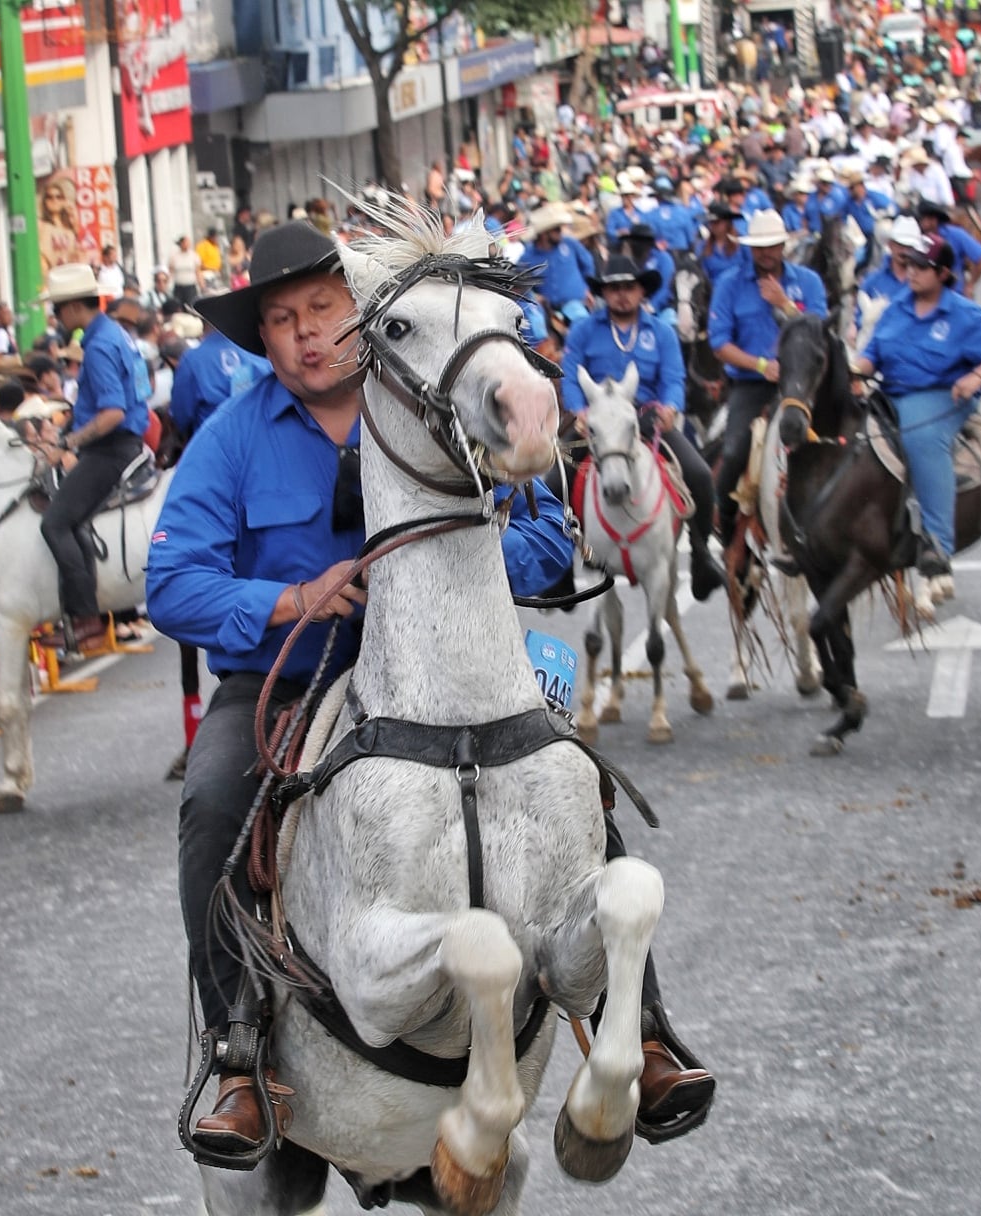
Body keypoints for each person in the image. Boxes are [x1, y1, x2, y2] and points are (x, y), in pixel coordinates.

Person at [148, 220, 708, 1167]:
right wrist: (292, 595)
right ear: (262, 337)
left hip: (458, 656)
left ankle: (638, 1028)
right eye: (282, 320)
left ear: (361, 314)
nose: (307, 333)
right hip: (296, 668)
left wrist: (480, 553)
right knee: (211, 803)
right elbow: (173, 585)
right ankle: (236, 1050)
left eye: (323, 309)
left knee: (575, 783)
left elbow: (539, 535)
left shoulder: (434, 386)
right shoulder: (231, 439)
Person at [851, 230, 981, 580]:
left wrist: (976, 377)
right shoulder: (897, 307)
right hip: (889, 392)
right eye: (909, 264)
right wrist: (853, 369)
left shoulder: (964, 315)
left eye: (922, 267)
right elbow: (872, 355)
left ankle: (938, 541)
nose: (912, 272)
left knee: (921, 438)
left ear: (943, 273)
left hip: (941, 396)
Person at [563, 254, 724, 599]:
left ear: (641, 291)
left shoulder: (662, 333)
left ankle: (700, 554)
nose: (622, 294)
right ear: (604, 293)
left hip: (646, 419)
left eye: (628, 287)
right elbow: (571, 376)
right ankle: (560, 564)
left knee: (698, 473)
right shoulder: (583, 331)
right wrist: (578, 411)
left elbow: (674, 378)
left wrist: (670, 407)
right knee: (551, 478)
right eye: (614, 288)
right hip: (595, 423)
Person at [35, 263, 150, 650]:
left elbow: (112, 412)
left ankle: (87, 618)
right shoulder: (114, 333)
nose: (56, 318)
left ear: (71, 309)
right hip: (123, 443)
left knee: (55, 524)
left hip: (110, 449)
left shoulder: (99, 345)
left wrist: (68, 443)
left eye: (56, 309)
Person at [708, 210, 828, 555]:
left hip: (803, 383)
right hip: (752, 384)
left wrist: (785, 304)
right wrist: (760, 365)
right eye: (759, 247)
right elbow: (719, 343)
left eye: (772, 246)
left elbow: (820, 331)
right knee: (731, 454)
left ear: (783, 246)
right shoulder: (730, 284)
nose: (765, 253)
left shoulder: (808, 281)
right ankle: (727, 526)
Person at [167, 326, 271, 443]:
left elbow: (181, 415)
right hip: (262, 440)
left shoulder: (192, 360)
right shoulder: (261, 350)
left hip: (213, 446)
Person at [517, 203, 596, 323]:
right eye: (556, 229)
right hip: (548, 312)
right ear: (544, 233)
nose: (560, 232)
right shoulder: (527, 258)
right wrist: (534, 296)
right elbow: (518, 285)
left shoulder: (569, 243)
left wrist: (587, 288)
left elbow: (588, 264)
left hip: (577, 305)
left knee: (580, 320)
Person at [915, 200, 981, 297]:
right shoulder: (915, 236)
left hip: (953, 294)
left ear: (935, 220)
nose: (924, 223)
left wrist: (970, 285)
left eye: (928, 219)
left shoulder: (955, 234)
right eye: (921, 219)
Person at [616, 224, 677, 314]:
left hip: (660, 308)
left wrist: (651, 306)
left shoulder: (663, 258)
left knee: (669, 318)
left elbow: (665, 288)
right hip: (631, 306)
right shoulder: (625, 259)